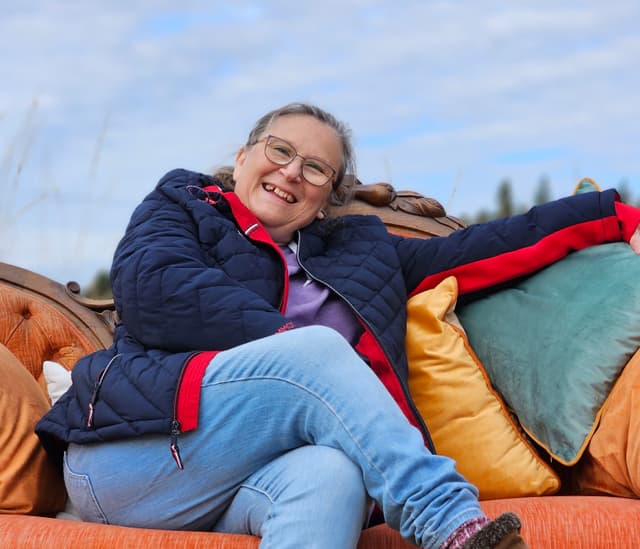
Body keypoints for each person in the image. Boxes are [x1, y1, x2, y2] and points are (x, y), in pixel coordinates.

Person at [36, 102, 640, 549]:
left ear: (327, 197)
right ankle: (449, 523)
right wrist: (292, 353)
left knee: (331, 474)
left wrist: (615, 214)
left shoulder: (362, 252)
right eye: (280, 150)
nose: (293, 171)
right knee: (318, 351)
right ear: (243, 157)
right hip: (128, 457)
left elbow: (491, 243)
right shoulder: (183, 206)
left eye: (316, 168)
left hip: (245, 480)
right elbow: (158, 289)